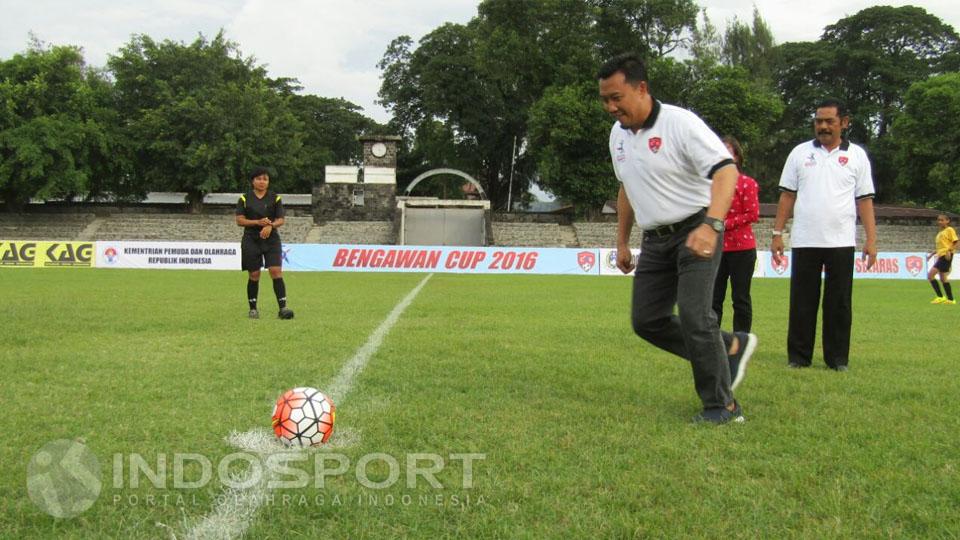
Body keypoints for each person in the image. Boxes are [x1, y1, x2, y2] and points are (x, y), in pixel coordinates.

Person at [599, 52, 758, 424]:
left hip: (695, 229)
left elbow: (726, 171)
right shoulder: (617, 136)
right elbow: (626, 188)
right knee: (647, 321)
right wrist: (623, 241)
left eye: (616, 98)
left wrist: (712, 225)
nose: (610, 107)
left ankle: (722, 406)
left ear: (641, 89)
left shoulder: (680, 124)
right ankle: (730, 346)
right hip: (655, 239)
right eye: (605, 99)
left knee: (694, 315)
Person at [771, 98, 877, 371]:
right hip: (805, 239)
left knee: (839, 304)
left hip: (841, 241)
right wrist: (777, 233)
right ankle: (798, 357)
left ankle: (837, 359)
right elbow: (787, 196)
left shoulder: (856, 156)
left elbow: (864, 201)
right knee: (802, 303)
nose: (823, 126)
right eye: (819, 121)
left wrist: (871, 240)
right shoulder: (799, 153)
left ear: (844, 122)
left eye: (830, 121)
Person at [712, 136, 760, 333]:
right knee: (714, 297)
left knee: (740, 298)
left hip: (742, 249)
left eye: (729, 152)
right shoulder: (711, 183)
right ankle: (711, 338)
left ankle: (741, 339)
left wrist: (724, 224)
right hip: (716, 248)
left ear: (737, 157)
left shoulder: (747, 183)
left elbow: (752, 213)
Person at [236, 167, 294, 320]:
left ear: (268, 182)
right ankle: (253, 309)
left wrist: (270, 226)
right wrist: (258, 222)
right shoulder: (244, 198)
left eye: (265, 179)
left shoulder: (275, 198)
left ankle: (283, 309)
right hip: (251, 239)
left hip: (271, 239)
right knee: (254, 274)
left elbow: (281, 219)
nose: (262, 182)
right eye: (259, 179)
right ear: (253, 181)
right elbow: (239, 220)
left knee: (275, 271)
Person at [927, 213, 958, 305]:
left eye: (942, 220)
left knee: (930, 275)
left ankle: (940, 297)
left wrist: (949, 250)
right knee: (943, 278)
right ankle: (951, 299)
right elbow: (941, 247)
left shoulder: (949, 229)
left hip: (946, 256)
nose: (940, 222)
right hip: (941, 255)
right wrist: (932, 254)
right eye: (938, 220)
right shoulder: (940, 233)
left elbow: (956, 242)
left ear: (947, 221)